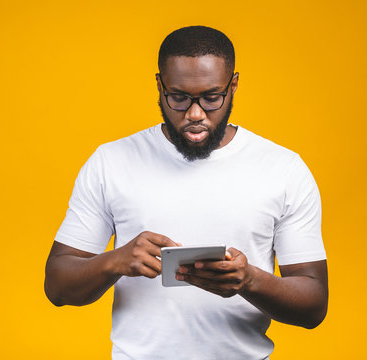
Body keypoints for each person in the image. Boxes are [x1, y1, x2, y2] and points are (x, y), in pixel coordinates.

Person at [44, 26, 328, 360]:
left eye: (211, 98)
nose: (195, 115)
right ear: (160, 85)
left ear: (233, 85)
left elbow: (313, 306)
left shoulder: (284, 169)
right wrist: (115, 261)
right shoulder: (111, 161)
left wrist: (249, 279)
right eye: (178, 97)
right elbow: (58, 286)